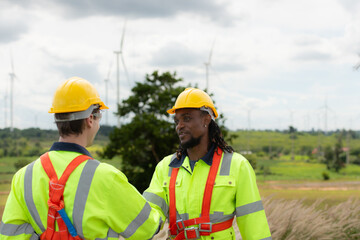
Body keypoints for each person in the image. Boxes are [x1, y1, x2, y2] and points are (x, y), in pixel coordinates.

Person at [0, 77, 162, 240]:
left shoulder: (23, 177)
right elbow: (147, 229)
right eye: (99, 115)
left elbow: (9, 236)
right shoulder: (106, 178)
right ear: (90, 119)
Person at [143, 88, 272, 240]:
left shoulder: (237, 166)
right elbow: (148, 215)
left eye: (187, 118)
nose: (180, 126)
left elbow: (254, 225)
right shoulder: (165, 167)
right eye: (177, 121)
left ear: (206, 119)